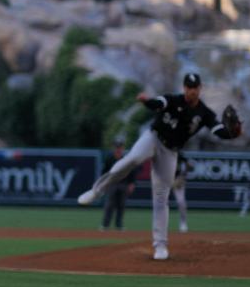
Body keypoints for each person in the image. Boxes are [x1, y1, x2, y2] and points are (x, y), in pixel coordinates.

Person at [77, 73, 241, 261]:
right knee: (132, 159)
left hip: (170, 152)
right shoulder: (173, 99)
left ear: (200, 89)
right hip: (153, 138)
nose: (191, 90)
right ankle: (97, 191)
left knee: (161, 197)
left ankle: (160, 246)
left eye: (194, 87)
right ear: (184, 87)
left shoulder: (204, 113)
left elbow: (218, 130)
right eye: (188, 87)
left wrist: (232, 133)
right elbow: (158, 103)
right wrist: (147, 101)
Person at [100, 142, 136, 231]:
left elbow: (131, 172)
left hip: (123, 184)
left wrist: (131, 183)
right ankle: (105, 225)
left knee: (121, 205)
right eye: (117, 147)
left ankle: (119, 225)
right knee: (109, 205)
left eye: (120, 147)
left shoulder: (125, 159)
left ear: (122, 148)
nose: (118, 149)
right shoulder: (109, 159)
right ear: (114, 148)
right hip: (112, 183)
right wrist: (104, 183)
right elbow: (104, 172)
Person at [173, 152, 194, 233]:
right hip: (163, 181)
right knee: (160, 202)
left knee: (181, 202)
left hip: (177, 180)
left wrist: (183, 176)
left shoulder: (178, 154)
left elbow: (190, 166)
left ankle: (183, 223)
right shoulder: (161, 153)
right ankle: (159, 226)